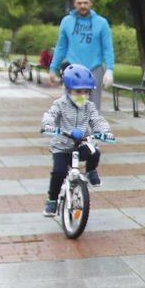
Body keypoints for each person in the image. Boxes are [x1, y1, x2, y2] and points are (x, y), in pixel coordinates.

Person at [41, 65, 111, 216]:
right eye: (78, 91)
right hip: (62, 146)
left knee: (94, 152)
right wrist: (48, 125)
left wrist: (104, 131)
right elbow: (50, 115)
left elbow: (96, 120)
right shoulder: (60, 104)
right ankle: (52, 200)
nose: (83, 95)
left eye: (86, 92)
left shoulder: (89, 106)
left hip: (81, 144)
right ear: (68, 90)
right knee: (59, 172)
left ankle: (91, 171)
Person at [51, 0, 115, 109]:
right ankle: (75, 128)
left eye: (85, 3)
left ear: (90, 3)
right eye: (79, 3)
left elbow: (107, 48)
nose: (83, 6)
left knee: (93, 108)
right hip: (73, 71)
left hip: (94, 70)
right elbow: (61, 47)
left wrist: (110, 69)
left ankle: (92, 128)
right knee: (72, 108)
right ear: (74, 4)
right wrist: (53, 68)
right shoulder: (67, 22)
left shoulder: (101, 23)